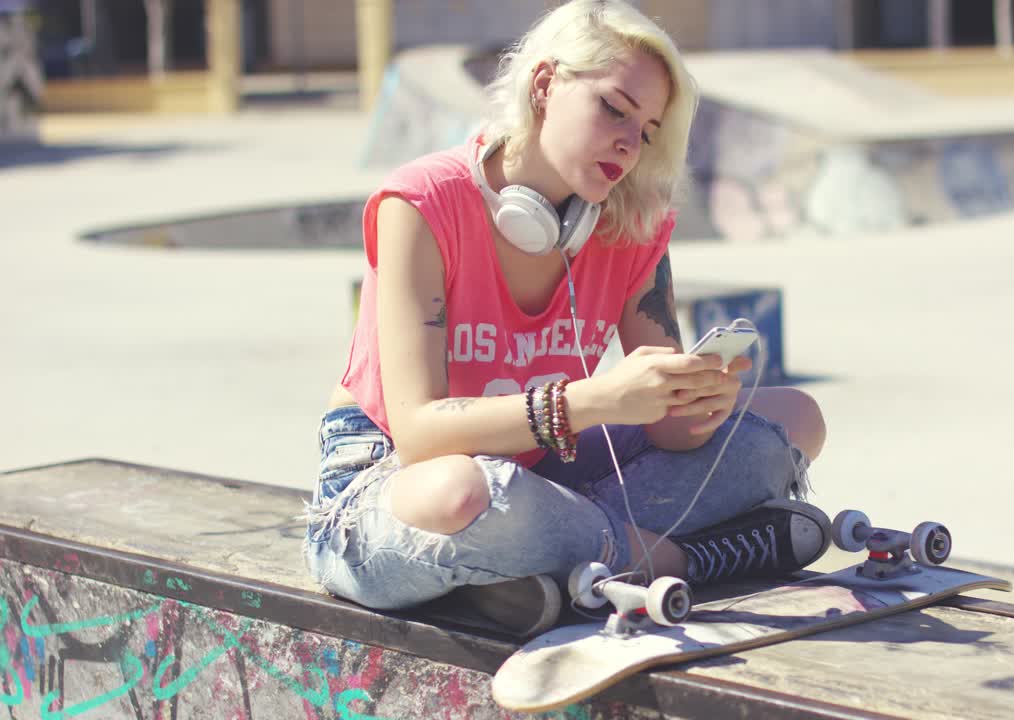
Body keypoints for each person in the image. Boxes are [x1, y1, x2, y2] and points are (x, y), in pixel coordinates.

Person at [303, 0, 830, 636]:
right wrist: (594, 401)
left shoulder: (632, 221)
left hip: (549, 478)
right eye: (614, 108)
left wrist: (695, 402)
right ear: (547, 85)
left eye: (649, 129)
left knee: (796, 418)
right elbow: (418, 435)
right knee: (461, 493)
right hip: (392, 477)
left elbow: (670, 434)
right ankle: (681, 560)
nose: (630, 144)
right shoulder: (421, 202)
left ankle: (538, 569)